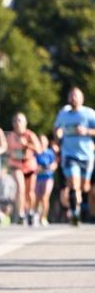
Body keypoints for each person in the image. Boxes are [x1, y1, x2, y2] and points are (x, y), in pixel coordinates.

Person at [53, 86, 95, 226]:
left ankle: (78, 205)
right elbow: (56, 128)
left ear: (82, 98)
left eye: (76, 95)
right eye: (71, 95)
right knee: (73, 185)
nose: (73, 98)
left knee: (84, 187)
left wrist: (87, 131)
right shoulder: (63, 114)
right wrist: (58, 137)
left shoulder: (89, 114)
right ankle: (74, 213)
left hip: (86, 155)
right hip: (69, 154)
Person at [6, 112, 41, 225]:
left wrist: (27, 145)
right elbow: (6, 150)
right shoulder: (10, 136)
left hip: (29, 165)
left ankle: (30, 212)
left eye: (20, 121)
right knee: (20, 188)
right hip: (16, 165)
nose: (17, 123)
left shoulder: (30, 135)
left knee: (29, 192)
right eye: (15, 121)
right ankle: (20, 214)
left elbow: (39, 149)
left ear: (25, 123)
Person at [35, 134, 58, 226]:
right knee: (37, 198)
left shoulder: (50, 153)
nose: (41, 143)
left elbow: (55, 163)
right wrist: (37, 168)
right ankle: (36, 215)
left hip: (48, 178)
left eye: (43, 141)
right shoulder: (35, 153)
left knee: (45, 197)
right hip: (37, 178)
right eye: (40, 141)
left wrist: (50, 167)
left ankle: (44, 217)